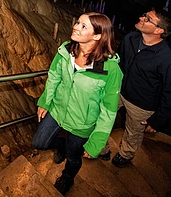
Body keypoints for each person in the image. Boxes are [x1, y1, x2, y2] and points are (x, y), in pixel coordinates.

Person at [32, 12, 123, 195]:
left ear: (97, 36)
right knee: (40, 142)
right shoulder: (66, 50)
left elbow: (108, 109)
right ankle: (61, 147)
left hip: (82, 122)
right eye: (77, 23)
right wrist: (45, 101)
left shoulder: (109, 69)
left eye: (83, 26)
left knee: (74, 157)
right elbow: (54, 76)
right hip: (58, 110)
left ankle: (67, 178)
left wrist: (97, 141)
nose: (75, 27)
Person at [107, 9, 171, 168]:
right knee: (102, 117)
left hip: (142, 104)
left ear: (159, 30)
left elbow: (168, 92)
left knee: (133, 132)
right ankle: (101, 147)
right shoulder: (130, 38)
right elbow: (119, 65)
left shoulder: (166, 57)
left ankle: (125, 155)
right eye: (143, 15)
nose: (141, 18)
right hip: (119, 91)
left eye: (147, 18)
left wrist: (157, 121)